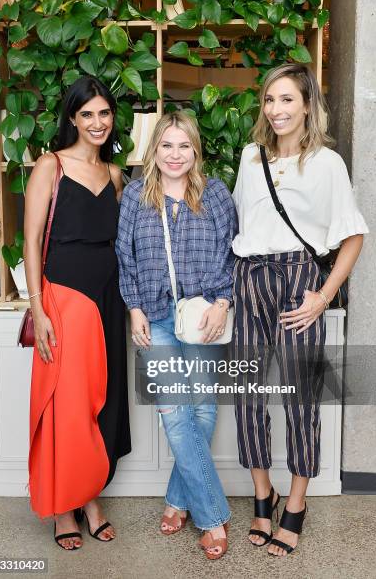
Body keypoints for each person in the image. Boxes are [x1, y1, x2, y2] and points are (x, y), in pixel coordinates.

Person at [231, 63, 368, 557]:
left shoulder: (326, 164)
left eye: (287, 99)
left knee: (300, 398)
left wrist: (323, 294)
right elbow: (241, 225)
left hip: (298, 283)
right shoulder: (251, 158)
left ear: (307, 104)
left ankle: (295, 505)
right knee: (247, 394)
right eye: (270, 100)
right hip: (249, 278)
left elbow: (353, 236)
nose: (276, 109)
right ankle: (262, 496)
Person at [116, 111, 237, 560]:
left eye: (183, 145)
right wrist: (134, 309)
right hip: (156, 316)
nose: (175, 154)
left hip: (204, 315)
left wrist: (224, 303)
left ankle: (178, 499)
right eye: (166, 145)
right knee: (174, 412)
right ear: (155, 151)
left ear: (195, 150)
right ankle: (212, 516)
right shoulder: (134, 197)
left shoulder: (217, 195)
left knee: (202, 413)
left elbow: (232, 254)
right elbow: (124, 258)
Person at [24, 76, 131, 550]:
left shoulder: (115, 175)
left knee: (100, 403)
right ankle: (66, 508)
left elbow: (123, 245)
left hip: (108, 299)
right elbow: (30, 242)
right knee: (67, 407)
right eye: (87, 114)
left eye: (104, 113)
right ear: (72, 119)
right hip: (63, 299)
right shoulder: (50, 166)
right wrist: (37, 307)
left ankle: (91, 498)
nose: (97, 122)